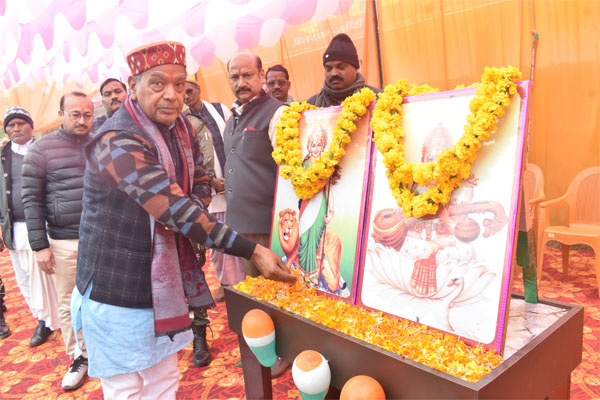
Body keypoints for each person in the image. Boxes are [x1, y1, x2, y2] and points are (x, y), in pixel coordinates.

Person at [71, 41, 296, 398]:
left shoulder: (181, 129)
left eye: (179, 84)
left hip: (162, 286)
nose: (171, 95)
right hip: (118, 287)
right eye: (158, 83)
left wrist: (192, 208)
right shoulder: (116, 140)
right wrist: (251, 250)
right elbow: (174, 210)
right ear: (134, 86)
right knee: (128, 387)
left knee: (163, 381)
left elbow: (201, 181)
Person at [224, 52, 291, 377]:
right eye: (235, 77)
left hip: (268, 224)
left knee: (278, 290)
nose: (241, 82)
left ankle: (285, 352)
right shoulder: (232, 117)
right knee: (256, 292)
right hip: (241, 226)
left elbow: (290, 168)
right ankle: (265, 349)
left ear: (261, 75)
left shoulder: (277, 113)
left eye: (247, 75)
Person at [22, 92, 92, 390]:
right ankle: (79, 357)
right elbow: (31, 199)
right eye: (75, 114)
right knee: (70, 301)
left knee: (107, 298)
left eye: (87, 114)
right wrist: (40, 245)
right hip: (64, 241)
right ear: (60, 115)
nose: (82, 120)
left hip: (101, 237)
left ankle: (105, 349)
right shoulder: (41, 149)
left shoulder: (100, 142)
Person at [183, 78, 244, 369]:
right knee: (216, 249)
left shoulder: (220, 110)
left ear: (198, 88)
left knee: (233, 239)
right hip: (205, 195)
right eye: (182, 89)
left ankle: (236, 286)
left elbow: (233, 144)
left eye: (190, 88)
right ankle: (228, 285)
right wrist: (209, 182)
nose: (186, 93)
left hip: (232, 188)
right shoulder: (179, 121)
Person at [0, 106, 60, 347]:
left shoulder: (45, 149)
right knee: (24, 278)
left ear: (31, 126)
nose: (16, 129)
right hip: (13, 228)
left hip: (43, 226)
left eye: (21, 123)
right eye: (11, 125)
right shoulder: (3, 156)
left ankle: (54, 318)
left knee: (46, 277)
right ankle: (41, 318)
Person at [307, 33, 381, 107]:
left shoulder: (378, 100)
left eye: (341, 67)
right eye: (329, 68)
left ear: (356, 68)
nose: (334, 73)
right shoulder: (311, 105)